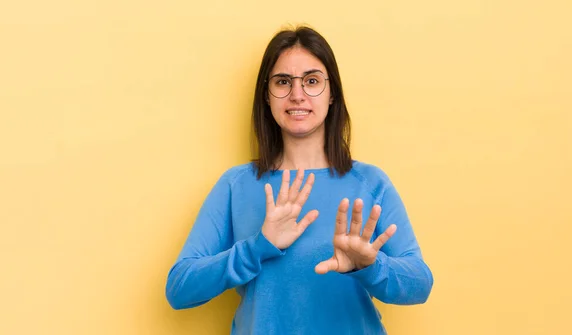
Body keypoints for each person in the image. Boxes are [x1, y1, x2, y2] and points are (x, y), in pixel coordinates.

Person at [165, 25, 434, 334]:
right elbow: (180, 288)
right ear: (266, 96)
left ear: (332, 94)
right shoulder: (235, 185)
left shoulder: (370, 182)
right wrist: (257, 248)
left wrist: (371, 267)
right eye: (282, 82)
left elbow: (420, 284)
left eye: (311, 81)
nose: (297, 95)